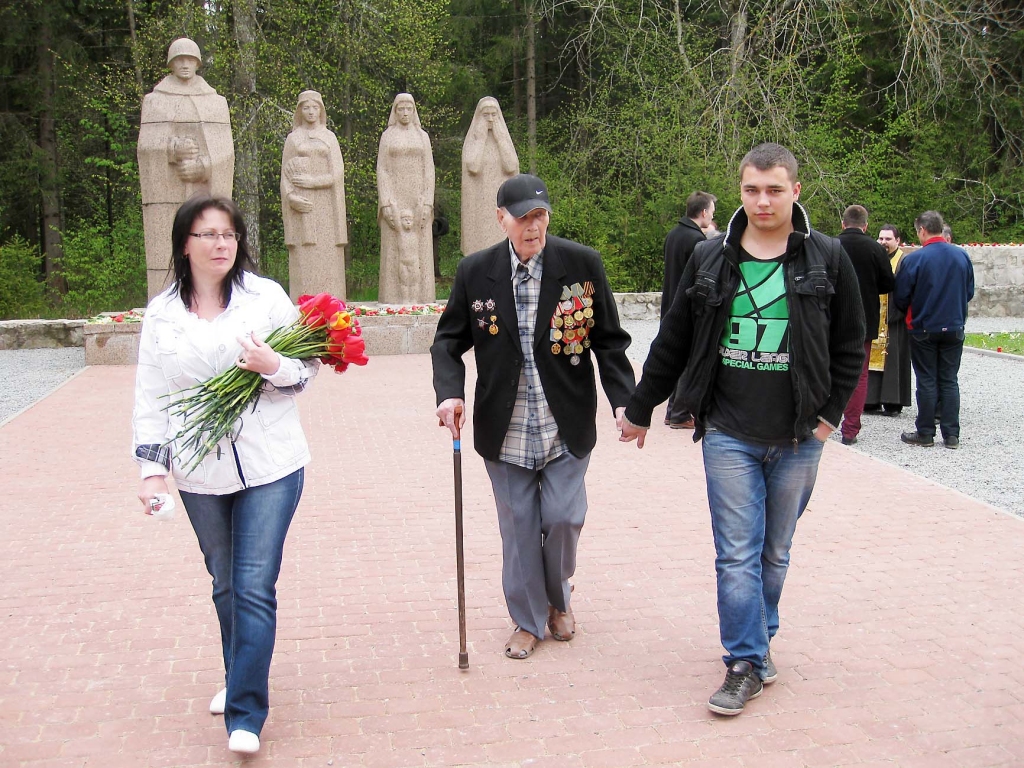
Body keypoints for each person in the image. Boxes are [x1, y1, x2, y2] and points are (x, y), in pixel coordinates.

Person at [620, 143, 865, 716]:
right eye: (752, 190)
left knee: (774, 553)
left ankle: (759, 638)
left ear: (795, 191)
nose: (763, 201)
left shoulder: (827, 258)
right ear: (739, 192)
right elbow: (674, 340)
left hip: (802, 436)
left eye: (774, 189)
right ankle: (745, 661)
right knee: (736, 553)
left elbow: (851, 345)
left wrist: (828, 420)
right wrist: (639, 407)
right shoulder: (712, 260)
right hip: (729, 432)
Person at [132, 195, 318, 755]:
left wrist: (273, 366)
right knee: (225, 582)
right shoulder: (161, 314)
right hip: (198, 469)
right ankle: (240, 674)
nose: (220, 244)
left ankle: (245, 713)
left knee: (254, 584)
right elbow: (152, 396)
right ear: (184, 243)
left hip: (271, 464)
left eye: (229, 234)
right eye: (208, 234)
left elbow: (306, 373)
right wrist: (152, 471)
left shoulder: (266, 298)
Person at [431, 173, 635, 660]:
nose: (532, 226)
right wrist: (449, 393)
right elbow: (448, 342)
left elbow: (609, 339)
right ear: (501, 218)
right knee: (519, 526)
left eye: (540, 216)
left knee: (564, 518)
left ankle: (557, 599)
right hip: (504, 426)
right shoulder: (475, 271)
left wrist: (625, 401)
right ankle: (528, 620)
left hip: (564, 419)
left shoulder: (581, 265)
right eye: (522, 217)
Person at [138, 38, 233, 299]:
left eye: (189, 59)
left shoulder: (215, 102)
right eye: (178, 59)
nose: (184, 64)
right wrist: (172, 149)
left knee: (208, 238)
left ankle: (211, 299)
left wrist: (203, 167)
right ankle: (167, 300)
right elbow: (146, 147)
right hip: (168, 196)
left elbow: (225, 151)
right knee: (169, 249)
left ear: (198, 63)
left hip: (202, 191)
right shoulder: (156, 101)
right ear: (171, 63)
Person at [894, 210, 975, 449]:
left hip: (923, 326)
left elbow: (901, 295)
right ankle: (951, 434)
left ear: (922, 230)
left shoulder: (914, 259)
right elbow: (969, 291)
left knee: (927, 379)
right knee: (949, 380)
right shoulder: (962, 256)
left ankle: (926, 432)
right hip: (954, 324)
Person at [281, 90, 348, 301]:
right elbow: (285, 175)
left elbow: (337, 172)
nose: (311, 112)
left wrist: (314, 181)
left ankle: (333, 304)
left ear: (321, 110)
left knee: (327, 252)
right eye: (306, 108)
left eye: (315, 107)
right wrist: (291, 197)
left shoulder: (329, 138)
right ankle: (305, 302)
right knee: (305, 252)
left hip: (326, 205)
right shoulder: (293, 139)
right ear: (300, 111)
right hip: (303, 205)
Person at [837, 205, 895, 445]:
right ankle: (850, 429)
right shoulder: (875, 248)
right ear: (866, 226)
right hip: (864, 318)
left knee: (827, 369)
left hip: (833, 317)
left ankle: (821, 420)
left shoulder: (830, 246)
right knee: (859, 375)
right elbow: (888, 284)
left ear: (843, 224)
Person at [661, 191, 717, 429]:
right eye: (712, 210)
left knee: (677, 357)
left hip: (670, 302)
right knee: (689, 360)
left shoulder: (673, 234)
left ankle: (672, 409)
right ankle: (680, 413)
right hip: (688, 307)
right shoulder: (697, 241)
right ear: (703, 212)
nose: (713, 214)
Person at [377, 93, 436, 303]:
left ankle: (421, 298)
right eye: (400, 109)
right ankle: (393, 299)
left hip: (418, 197)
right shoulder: (388, 136)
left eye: (408, 109)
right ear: (395, 111)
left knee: (419, 247)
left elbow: (429, 169)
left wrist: (428, 200)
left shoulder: (422, 137)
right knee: (395, 247)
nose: (404, 113)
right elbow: (382, 169)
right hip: (394, 196)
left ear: (414, 111)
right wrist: (385, 201)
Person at [864, 224, 911, 415]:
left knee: (893, 359)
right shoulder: (876, 258)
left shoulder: (903, 261)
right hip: (876, 315)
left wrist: (896, 311)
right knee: (872, 360)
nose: (883, 242)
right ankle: (871, 400)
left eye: (888, 239)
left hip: (894, 317)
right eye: (881, 238)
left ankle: (893, 401)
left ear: (897, 241)